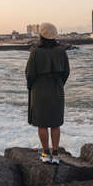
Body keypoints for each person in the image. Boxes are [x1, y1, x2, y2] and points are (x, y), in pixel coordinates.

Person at [25, 22, 70, 164]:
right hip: (57, 89)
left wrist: (31, 87)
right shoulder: (61, 51)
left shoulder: (36, 52)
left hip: (39, 90)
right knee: (55, 124)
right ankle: (55, 154)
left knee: (42, 124)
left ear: (41, 35)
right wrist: (58, 84)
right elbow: (66, 72)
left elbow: (29, 74)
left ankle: (45, 153)